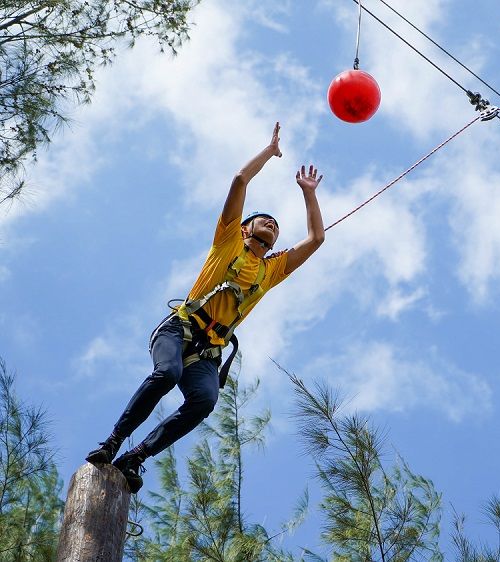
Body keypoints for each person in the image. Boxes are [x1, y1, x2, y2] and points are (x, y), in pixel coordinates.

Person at [86, 122, 324, 492]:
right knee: (165, 374)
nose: (272, 225)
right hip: (178, 330)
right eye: (265, 220)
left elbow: (316, 238)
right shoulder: (227, 242)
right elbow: (240, 180)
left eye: (277, 226)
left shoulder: (271, 270)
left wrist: (308, 193)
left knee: (205, 400)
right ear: (244, 229)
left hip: (207, 354)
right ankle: (114, 440)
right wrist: (269, 151)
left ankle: (137, 456)